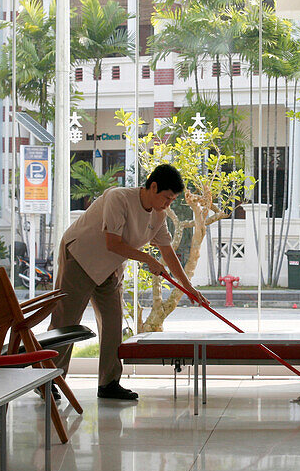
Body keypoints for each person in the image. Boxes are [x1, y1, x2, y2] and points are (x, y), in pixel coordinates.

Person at [50, 163, 207, 400]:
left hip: (110, 269)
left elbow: (168, 253)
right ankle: (49, 379)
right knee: (66, 323)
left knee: (113, 325)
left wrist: (188, 287)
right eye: (166, 198)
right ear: (153, 186)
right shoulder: (119, 198)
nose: (168, 204)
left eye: (172, 200)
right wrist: (145, 258)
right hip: (81, 258)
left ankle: (109, 383)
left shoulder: (159, 215)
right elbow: (112, 242)